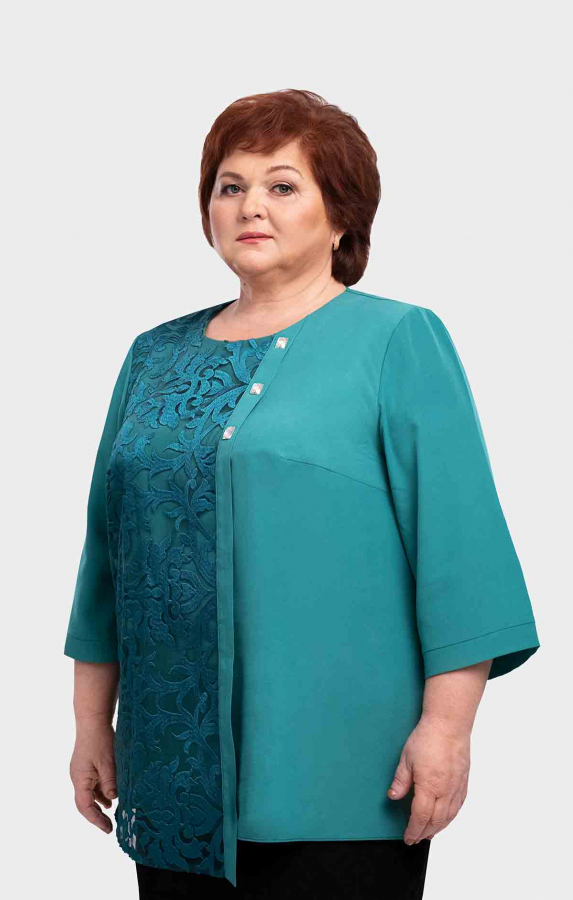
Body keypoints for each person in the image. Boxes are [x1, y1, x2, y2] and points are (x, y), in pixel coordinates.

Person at [64, 89, 540, 899]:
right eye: (230, 185)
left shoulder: (396, 339)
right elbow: (107, 558)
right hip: (172, 771)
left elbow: (460, 553)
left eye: (283, 185)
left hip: (345, 774)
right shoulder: (153, 356)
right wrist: (89, 725)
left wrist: (447, 730)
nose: (250, 205)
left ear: (341, 213)